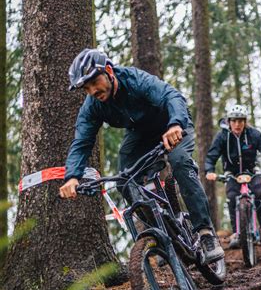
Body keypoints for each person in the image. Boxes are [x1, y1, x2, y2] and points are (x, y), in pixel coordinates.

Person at [59, 48, 224, 263]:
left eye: (94, 82)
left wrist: (175, 124)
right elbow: (82, 141)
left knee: (180, 162)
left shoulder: (135, 80)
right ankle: (163, 235)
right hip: (140, 135)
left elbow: (171, 95)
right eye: (86, 88)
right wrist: (72, 176)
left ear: (109, 70)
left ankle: (205, 233)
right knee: (123, 181)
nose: (92, 91)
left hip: (172, 123)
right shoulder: (93, 106)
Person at [205, 104, 261, 248]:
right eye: (234, 121)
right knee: (232, 197)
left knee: (259, 192)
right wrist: (209, 171)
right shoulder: (222, 136)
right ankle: (236, 232)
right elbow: (211, 156)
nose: (237, 124)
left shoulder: (254, 134)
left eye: (240, 121)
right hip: (232, 174)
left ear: (245, 121)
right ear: (229, 121)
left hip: (252, 172)